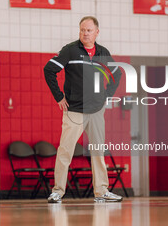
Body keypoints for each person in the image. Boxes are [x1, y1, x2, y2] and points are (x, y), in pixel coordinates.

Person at [43, 16, 123, 203]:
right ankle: (57, 191)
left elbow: (116, 74)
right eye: (82, 30)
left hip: (96, 111)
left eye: (88, 30)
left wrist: (105, 96)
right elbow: (49, 70)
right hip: (74, 111)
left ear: (97, 32)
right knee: (65, 151)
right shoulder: (70, 50)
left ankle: (101, 191)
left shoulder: (103, 52)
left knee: (98, 151)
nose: (85, 33)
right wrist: (59, 96)